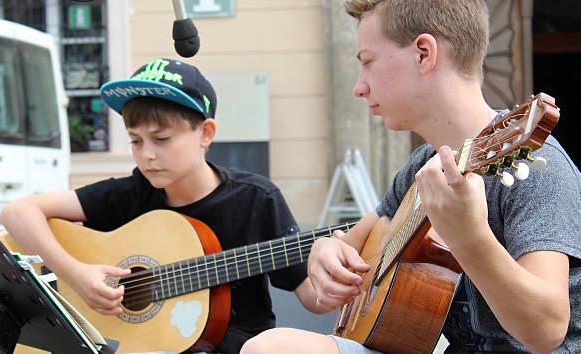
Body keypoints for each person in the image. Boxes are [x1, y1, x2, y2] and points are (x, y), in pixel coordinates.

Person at [240, 1, 580, 353]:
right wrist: (326, 251)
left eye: (367, 62)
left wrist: (470, 239)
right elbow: (354, 241)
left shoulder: (537, 168)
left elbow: (547, 330)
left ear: (423, 54)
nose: (359, 87)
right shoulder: (424, 165)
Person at [0, 57, 328, 354]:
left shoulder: (256, 199)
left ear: (205, 133)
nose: (147, 155)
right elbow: (17, 212)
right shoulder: (131, 193)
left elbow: (313, 298)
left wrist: (344, 274)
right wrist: (77, 273)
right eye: (135, 140)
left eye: (162, 139)